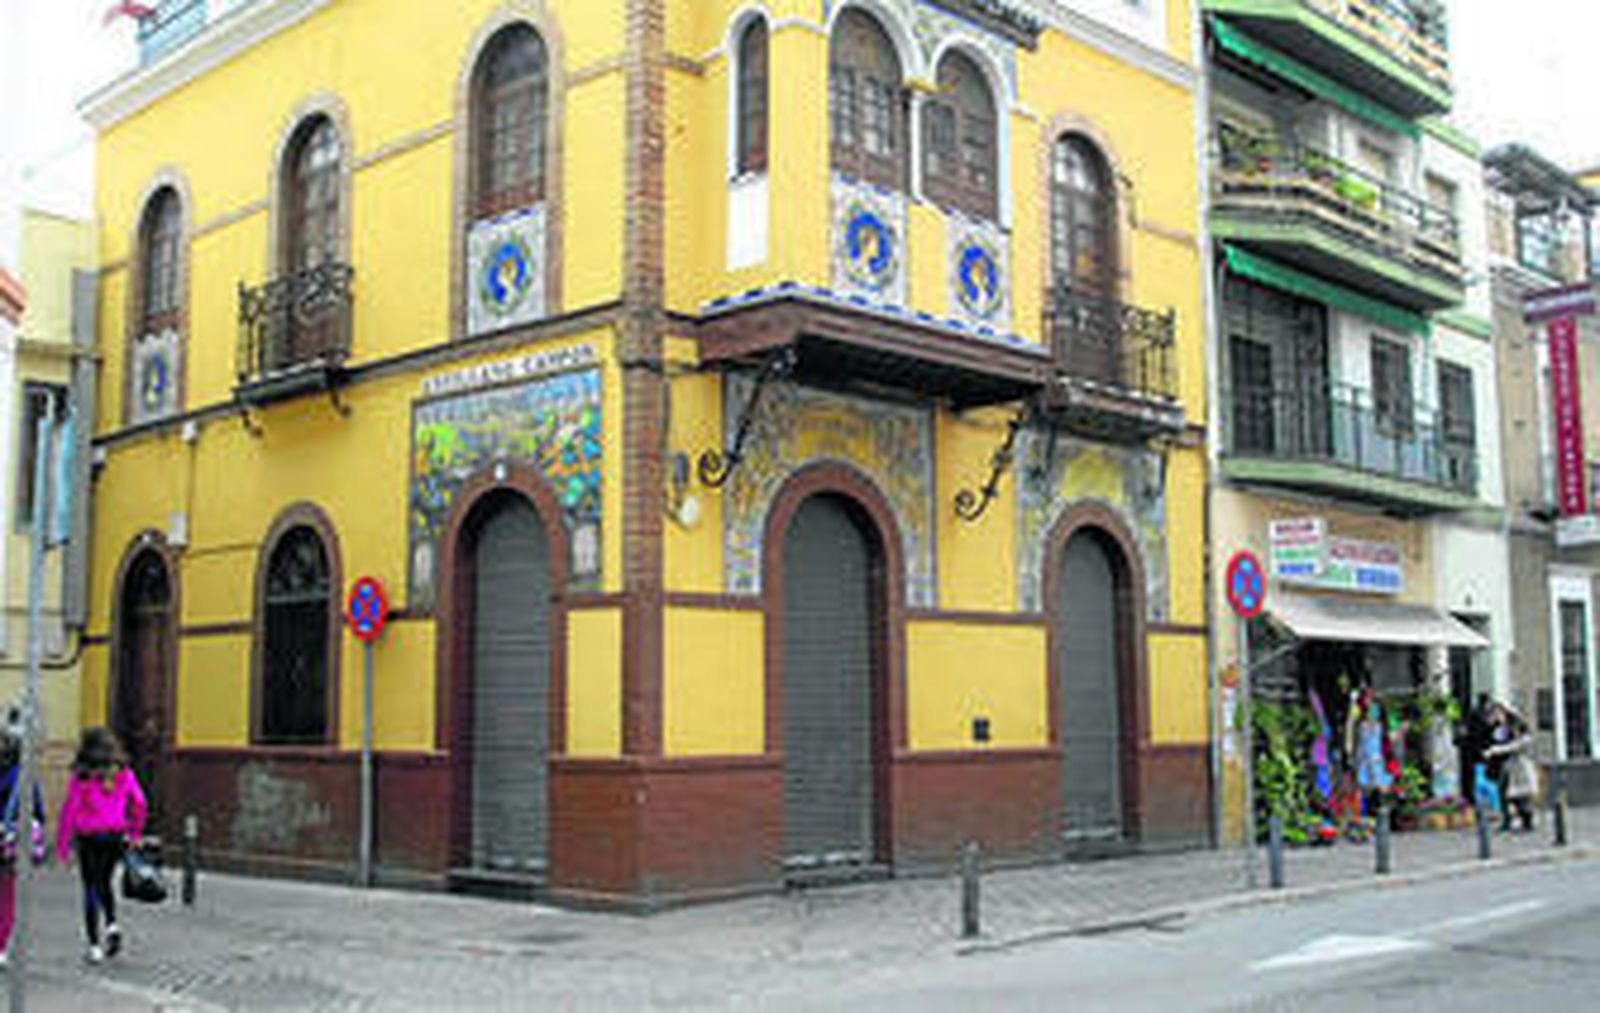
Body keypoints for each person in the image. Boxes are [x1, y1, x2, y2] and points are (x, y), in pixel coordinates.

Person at [56, 728, 146, 965]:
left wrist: (63, 846)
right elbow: (140, 803)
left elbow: (70, 811)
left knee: (90, 888)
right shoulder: (123, 773)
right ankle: (112, 926)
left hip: (90, 839)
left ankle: (94, 945)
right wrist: (134, 832)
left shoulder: (83, 776)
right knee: (105, 882)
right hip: (115, 836)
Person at [0, 730, 43, 967]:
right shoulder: (21, 775)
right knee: (6, 895)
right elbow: (36, 808)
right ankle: (1, 946)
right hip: (10, 840)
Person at [1485, 706, 1539, 833]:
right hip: (1507, 766)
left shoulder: (1518, 730)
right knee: (1504, 793)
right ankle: (1507, 821)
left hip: (1519, 767)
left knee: (1519, 796)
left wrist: (1495, 750)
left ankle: (1527, 821)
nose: (1497, 717)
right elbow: (1496, 741)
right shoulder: (1500, 729)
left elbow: (1517, 745)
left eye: (1498, 714)